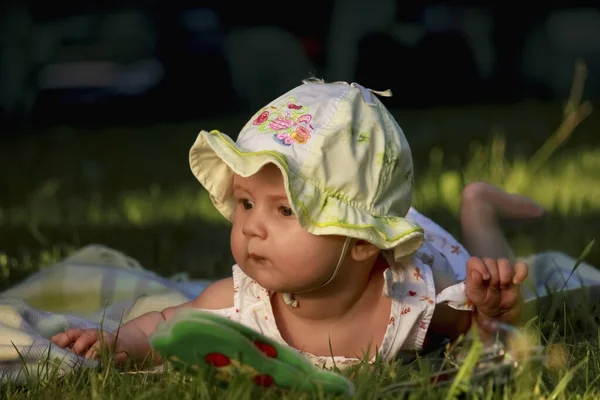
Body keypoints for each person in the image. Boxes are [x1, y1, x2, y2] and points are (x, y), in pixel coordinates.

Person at [51, 78, 546, 369]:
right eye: (245, 202)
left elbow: (488, 328)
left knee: (500, 272)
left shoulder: (414, 298)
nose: (251, 228)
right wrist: (122, 343)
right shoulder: (245, 301)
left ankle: (477, 206)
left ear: (358, 242)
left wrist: (489, 306)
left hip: (439, 252)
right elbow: (168, 323)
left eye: (285, 210)